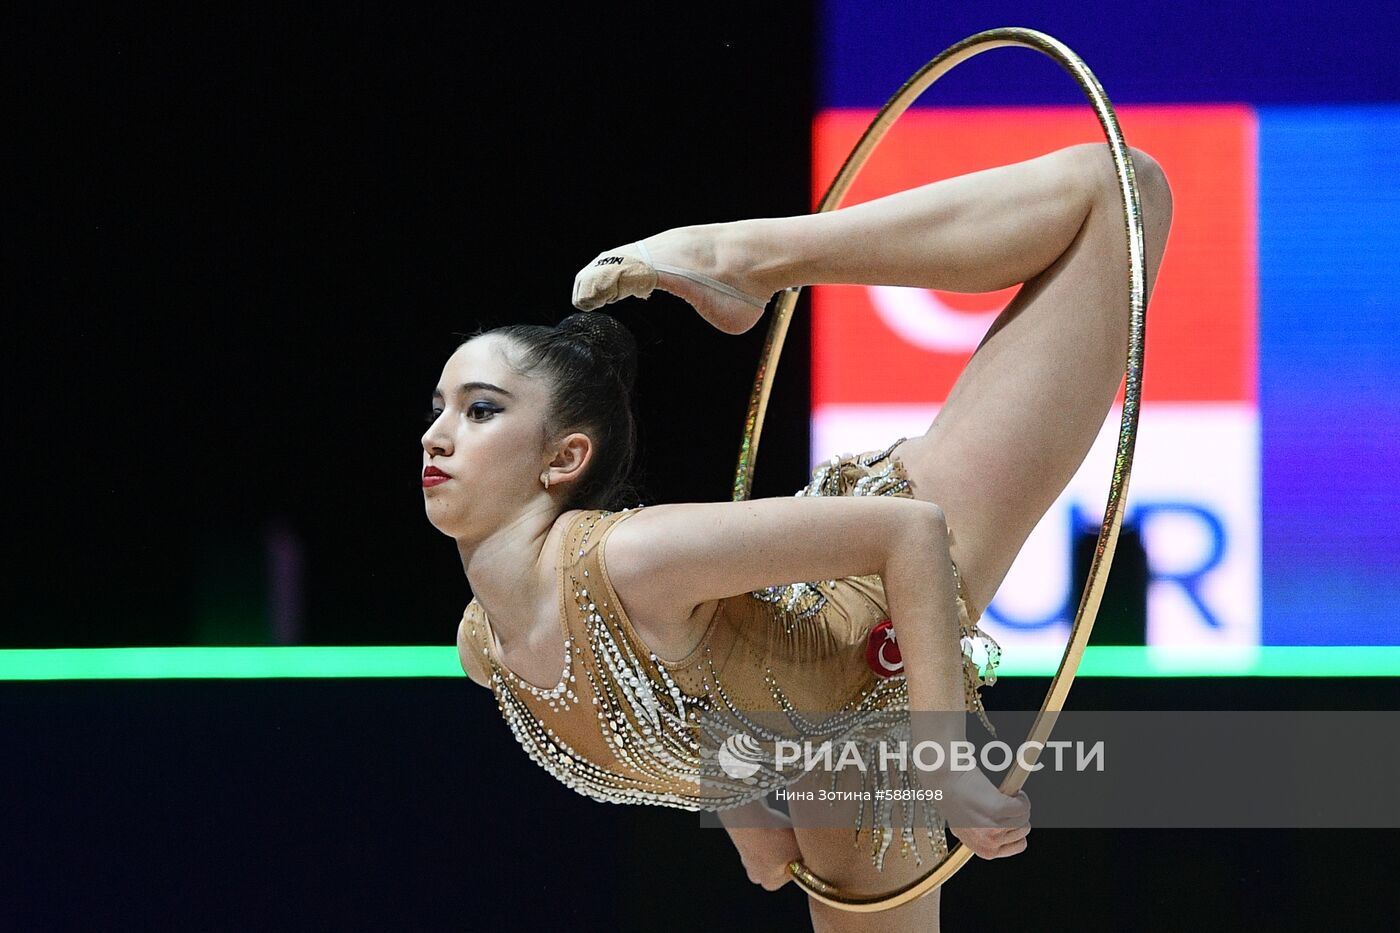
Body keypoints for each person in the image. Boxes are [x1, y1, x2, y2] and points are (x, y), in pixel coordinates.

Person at [426, 141, 1172, 931]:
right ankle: (752, 260)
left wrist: (947, 765)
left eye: (479, 410)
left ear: (564, 458)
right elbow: (682, 686)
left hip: (880, 618)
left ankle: (753, 254)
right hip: (839, 756)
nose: (435, 436)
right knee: (1120, 196)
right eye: (437, 406)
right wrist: (745, 812)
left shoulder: (624, 558)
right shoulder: (487, 645)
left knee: (1122, 191)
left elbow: (908, 529)